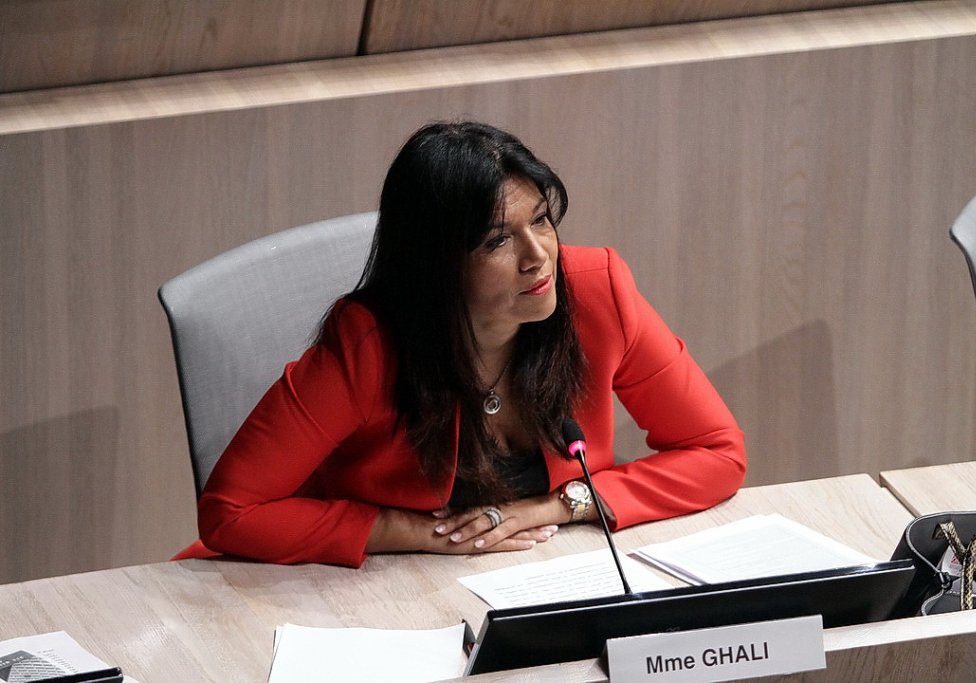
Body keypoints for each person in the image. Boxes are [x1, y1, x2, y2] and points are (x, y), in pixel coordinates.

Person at [180, 121, 746, 568]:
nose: (538, 255)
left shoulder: (599, 291)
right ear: (439, 265)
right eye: (499, 239)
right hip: (363, 595)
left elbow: (717, 451)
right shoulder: (368, 346)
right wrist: (422, 534)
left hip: (541, 573)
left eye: (542, 221)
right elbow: (232, 512)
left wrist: (556, 507)